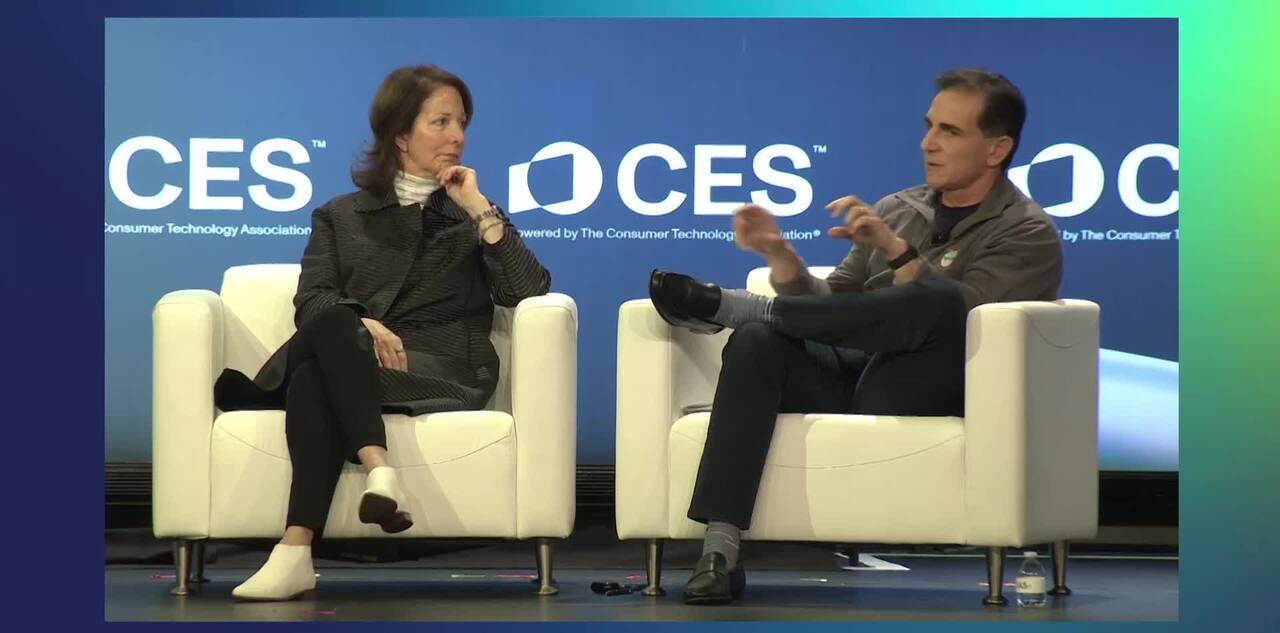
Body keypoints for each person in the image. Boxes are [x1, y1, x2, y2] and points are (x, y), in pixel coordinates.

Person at [648, 68, 1063, 605]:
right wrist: (782, 258)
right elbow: (836, 307)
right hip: (859, 378)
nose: (928, 143)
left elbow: (967, 322)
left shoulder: (1027, 231)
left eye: (950, 131)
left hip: (935, 388)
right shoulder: (897, 209)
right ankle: (719, 552)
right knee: (755, 341)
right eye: (929, 126)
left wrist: (897, 252)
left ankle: (744, 307)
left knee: (941, 300)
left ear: (997, 149)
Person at [213, 65, 551, 601]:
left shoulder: (472, 216)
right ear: (400, 135)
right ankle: (376, 472)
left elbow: (526, 290)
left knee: (312, 371)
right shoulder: (340, 216)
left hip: (443, 368)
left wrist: (480, 210)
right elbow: (312, 300)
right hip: (358, 360)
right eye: (441, 122)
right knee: (327, 336)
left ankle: (298, 550)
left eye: (461, 123)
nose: (457, 136)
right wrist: (361, 323)